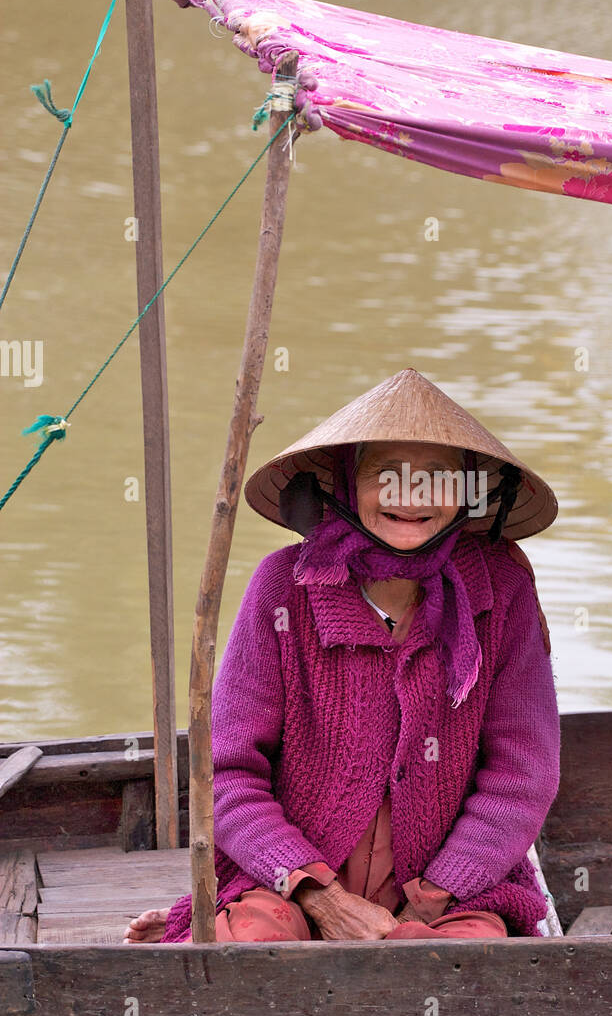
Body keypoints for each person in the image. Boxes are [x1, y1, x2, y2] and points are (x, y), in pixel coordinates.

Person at [124, 368, 560, 944]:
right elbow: (226, 772)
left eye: (437, 477)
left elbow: (522, 775)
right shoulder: (284, 586)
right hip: (290, 882)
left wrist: (432, 899)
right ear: (347, 483)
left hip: (457, 889)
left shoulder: (502, 589)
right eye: (388, 474)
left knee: (452, 965)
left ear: (469, 491)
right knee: (254, 950)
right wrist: (320, 898)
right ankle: (227, 918)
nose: (412, 495)